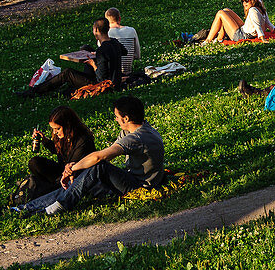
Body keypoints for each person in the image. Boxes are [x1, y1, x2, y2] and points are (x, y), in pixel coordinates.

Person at [10, 96, 164, 216]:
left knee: (98, 166)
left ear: (126, 118)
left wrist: (72, 167)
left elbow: (100, 157)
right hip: (129, 177)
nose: (115, 119)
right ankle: (24, 208)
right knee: (76, 183)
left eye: (117, 116)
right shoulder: (133, 130)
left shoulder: (137, 138)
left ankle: (61, 204)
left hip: (140, 185)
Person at [20, 18, 125, 98]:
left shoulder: (102, 51)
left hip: (106, 85)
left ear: (96, 30)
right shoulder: (114, 42)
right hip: (117, 80)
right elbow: (124, 51)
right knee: (86, 49)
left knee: (68, 73)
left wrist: (93, 64)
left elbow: (101, 78)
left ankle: (35, 91)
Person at [14, 106, 97, 204]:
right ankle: (48, 187)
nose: (54, 132)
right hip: (61, 171)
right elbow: (58, 151)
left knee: (60, 183)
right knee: (35, 163)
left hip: (76, 176)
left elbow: (73, 167)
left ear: (68, 125)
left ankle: (49, 189)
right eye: (53, 129)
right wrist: (44, 140)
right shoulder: (62, 136)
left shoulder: (82, 140)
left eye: (57, 128)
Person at [206, 0, 274, 43]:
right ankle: (219, 39)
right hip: (245, 30)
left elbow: (257, 26)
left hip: (242, 36)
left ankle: (207, 41)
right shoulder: (260, 6)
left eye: (247, 1)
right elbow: (268, 23)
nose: (244, 3)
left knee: (220, 13)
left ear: (253, 0)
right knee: (226, 10)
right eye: (243, 1)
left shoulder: (253, 10)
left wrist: (262, 38)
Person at [105, 7, 141, 77]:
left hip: (112, 74)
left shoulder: (106, 33)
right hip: (127, 72)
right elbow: (137, 55)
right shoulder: (132, 30)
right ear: (120, 18)